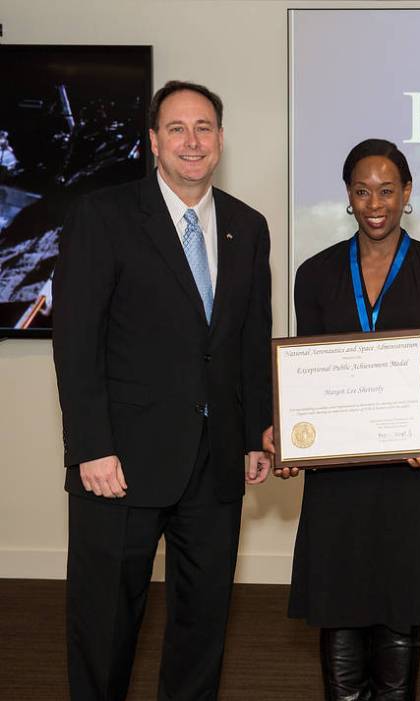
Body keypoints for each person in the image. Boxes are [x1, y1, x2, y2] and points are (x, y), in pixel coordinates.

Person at [52, 80, 273, 700]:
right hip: (118, 464)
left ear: (221, 140)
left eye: (204, 128)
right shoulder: (103, 216)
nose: (192, 142)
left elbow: (251, 340)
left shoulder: (246, 227)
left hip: (216, 465)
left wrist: (258, 430)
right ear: (153, 141)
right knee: (105, 629)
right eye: (176, 129)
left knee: (202, 629)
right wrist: (90, 446)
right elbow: (75, 345)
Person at [264, 138, 420, 701]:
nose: (374, 202)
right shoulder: (315, 273)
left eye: (386, 189)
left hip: (407, 462)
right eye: (361, 191)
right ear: (348, 198)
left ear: (407, 194)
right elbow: (305, 367)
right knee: (340, 602)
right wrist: (290, 432)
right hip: (338, 469)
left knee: (401, 606)